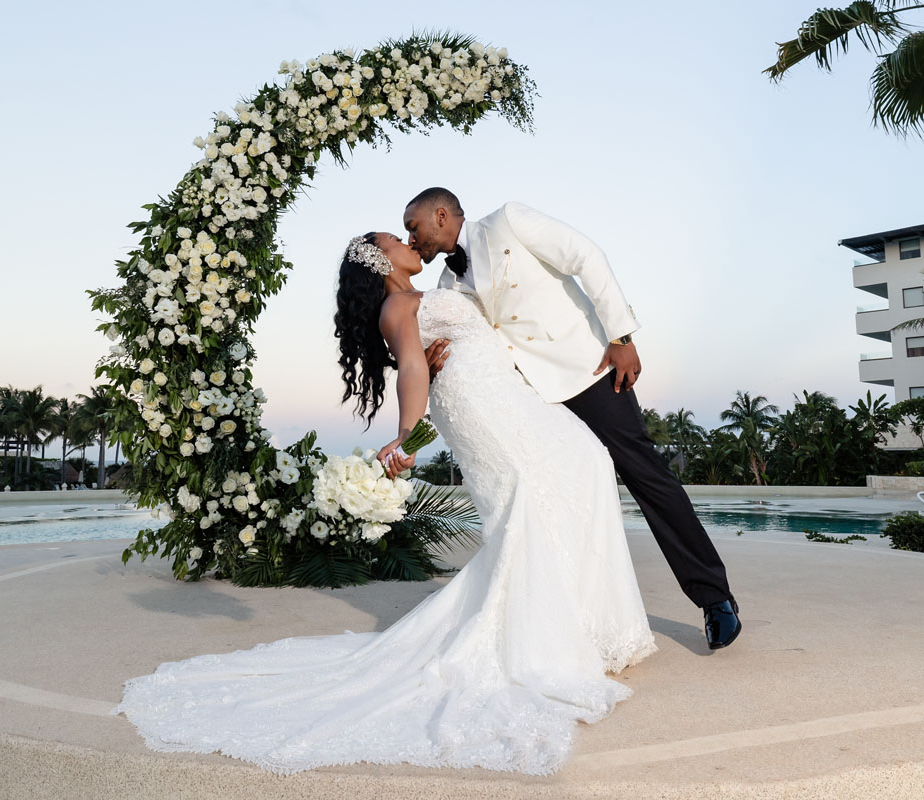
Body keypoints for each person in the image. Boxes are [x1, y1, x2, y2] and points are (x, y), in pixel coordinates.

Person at [111, 232, 657, 776]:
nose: (408, 241)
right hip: (486, 412)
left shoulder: (429, 294)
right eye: (396, 238)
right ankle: (562, 639)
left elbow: (457, 343)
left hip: (502, 395)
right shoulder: (398, 304)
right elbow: (414, 369)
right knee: (549, 493)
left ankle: (587, 625)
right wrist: (407, 434)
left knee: (582, 468)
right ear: (378, 260)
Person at [401, 188, 741, 649]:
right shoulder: (447, 285)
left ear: (440, 215)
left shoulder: (509, 220)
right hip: (530, 399)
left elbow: (586, 256)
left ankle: (714, 599)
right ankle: (577, 616)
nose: (411, 236)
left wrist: (621, 335)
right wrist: (434, 361)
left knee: (645, 475)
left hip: (589, 370)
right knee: (557, 495)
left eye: (413, 226)